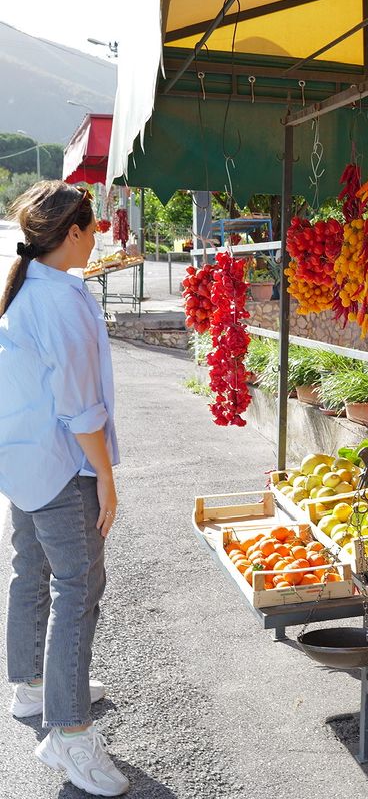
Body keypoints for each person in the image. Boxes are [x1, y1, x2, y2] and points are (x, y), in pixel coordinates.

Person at [0, 181, 128, 796]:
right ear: (72, 232)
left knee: (31, 570)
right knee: (77, 588)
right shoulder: (62, 300)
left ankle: (30, 686)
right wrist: (105, 477)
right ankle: (69, 733)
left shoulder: (32, 287)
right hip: (59, 464)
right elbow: (82, 411)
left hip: (21, 458)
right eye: (93, 224)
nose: (99, 233)